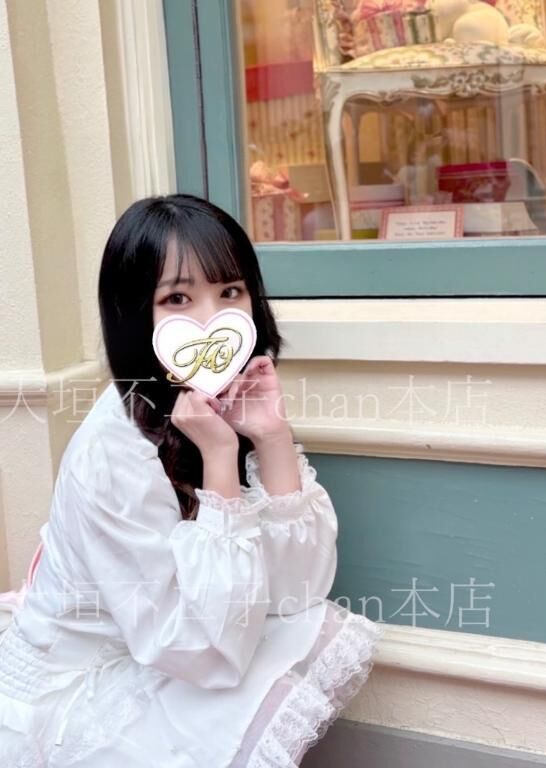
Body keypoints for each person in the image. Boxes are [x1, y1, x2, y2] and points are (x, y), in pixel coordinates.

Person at [0, 194, 382, 767]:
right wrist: (220, 458)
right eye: (177, 298)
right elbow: (201, 651)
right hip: (81, 684)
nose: (210, 320)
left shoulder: (221, 398)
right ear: (135, 315)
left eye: (230, 292)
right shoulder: (114, 452)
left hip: (176, 643)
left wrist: (271, 437)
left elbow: (297, 591)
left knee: (306, 625)